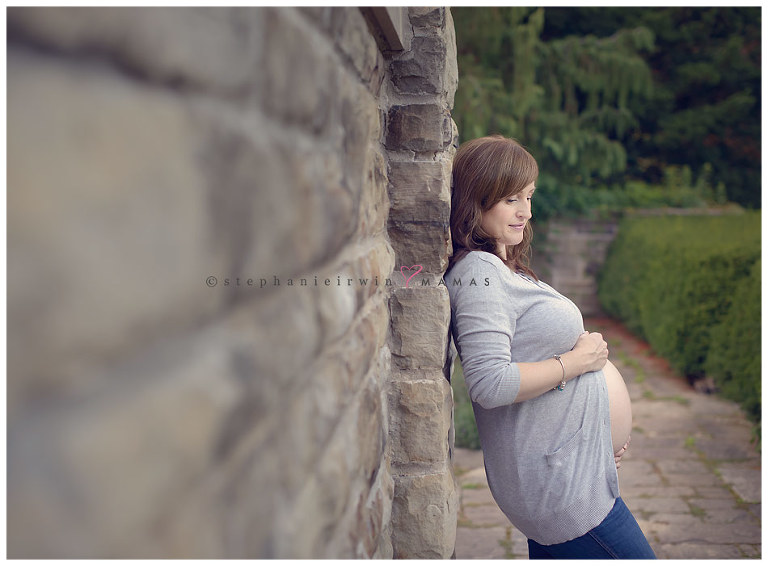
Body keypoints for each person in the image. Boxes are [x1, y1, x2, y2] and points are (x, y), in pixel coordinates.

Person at [446, 135, 656, 559]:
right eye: (510, 199)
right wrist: (579, 361)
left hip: (572, 475)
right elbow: (490, 383)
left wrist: (599, 436)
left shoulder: (500, 268)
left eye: (527, 196)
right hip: (561, 488)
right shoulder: (480, 272)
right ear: (475, 201)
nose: (525, 211)